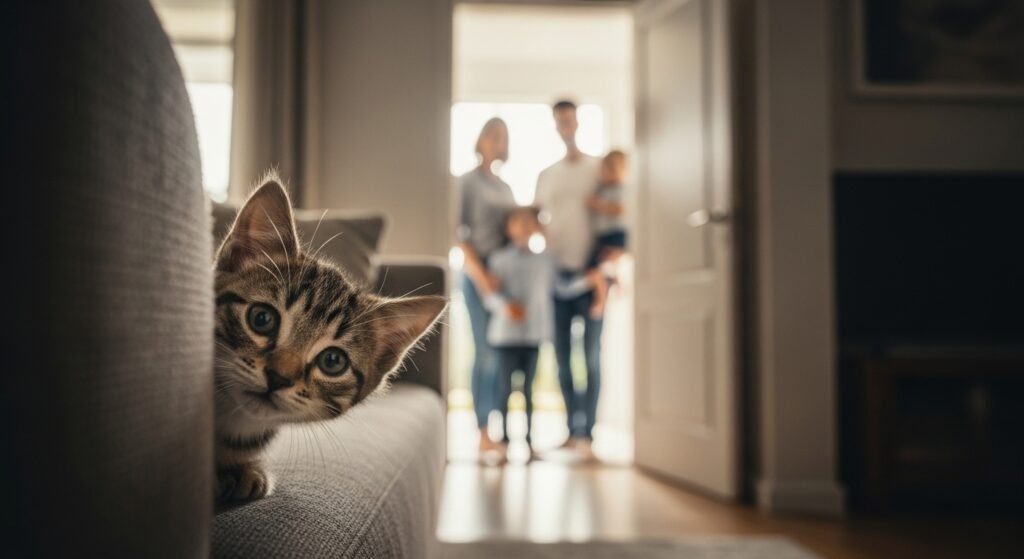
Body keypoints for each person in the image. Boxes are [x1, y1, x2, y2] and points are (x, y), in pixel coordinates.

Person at [484, 207, 599, 463]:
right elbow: (490, 296)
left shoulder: (547, 260)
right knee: (503, 390)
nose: (523, 227)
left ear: (537, 227)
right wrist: (505, 306)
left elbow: (562, 288)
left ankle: (528, 443)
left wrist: (588, 280)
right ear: (508, 227)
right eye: (518, 222)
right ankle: (502, 442)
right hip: (504, 337)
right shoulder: (498, 260)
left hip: (534, 336)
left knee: (528, 391)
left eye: (529, 222)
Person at [533, 100, 604, 459]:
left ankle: (587, 436)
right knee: (562, 358)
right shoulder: (546, 175)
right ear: (555, 125)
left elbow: (613, 216)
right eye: (560, 121)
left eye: (570, 119)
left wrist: (606, 268)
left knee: (590, 358)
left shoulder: (597, 169)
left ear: (577, 121)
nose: (566, 125)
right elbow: (536, 220)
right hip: (556, 278)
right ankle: (570, 432)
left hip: (592, 277)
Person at [456, 118, 516, 458]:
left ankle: (503, 430)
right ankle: (482, 430)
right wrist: (482, 277)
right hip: (477, 276)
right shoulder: (466, 182)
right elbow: (459, 237)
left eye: (503, 137)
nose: (498, 141)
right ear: (481, 140)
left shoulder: (506, 188)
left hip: (504, 278)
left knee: (504, 355)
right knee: (485, 353)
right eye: (493, 135)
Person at [584, 150, 628, 319]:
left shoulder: (620, 190)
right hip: (604, 236)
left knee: (595, 268)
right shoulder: (602, 189)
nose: (608, 173)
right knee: (602, 269)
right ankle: (617, 282)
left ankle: (602, 300)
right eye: (606, 168)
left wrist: (597, 204)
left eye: (613, 168)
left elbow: (618, 209)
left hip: (614, 235)